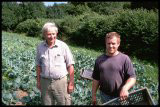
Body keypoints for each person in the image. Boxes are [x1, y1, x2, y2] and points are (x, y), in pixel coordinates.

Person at [36, 22, 75, 105]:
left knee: (64, 103)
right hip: (45, 82)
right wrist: (38, 81)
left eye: (53, 34)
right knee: (46, 103)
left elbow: (70, 65)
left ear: (56, 33)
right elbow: (38, 65)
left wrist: (71, 83)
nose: (51, 36)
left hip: (60, 82)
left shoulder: (63, 46)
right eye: (49, 34)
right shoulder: (40, 47)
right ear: (44, 35)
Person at [92, 32, 136, 105]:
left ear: (118, 44)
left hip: (120, 96)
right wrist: (93, 95)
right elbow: (96, 79)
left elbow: (132, 77)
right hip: (104, 95)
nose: (111, 46)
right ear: (105, 44)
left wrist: (125, 88)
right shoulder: (99, 60)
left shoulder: (125, 59)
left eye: (113, 43)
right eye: (108, 43)